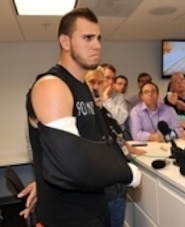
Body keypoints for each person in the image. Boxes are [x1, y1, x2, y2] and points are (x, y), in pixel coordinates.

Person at [22, 8, 141, 227]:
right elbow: (71, 164)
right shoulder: (52, 86)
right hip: (68, 218)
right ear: (65, 42)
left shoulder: (83, 87)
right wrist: (127, 172)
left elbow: (94, 141)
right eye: (87, 38)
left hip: (94, 209)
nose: (97, 45)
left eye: (98, 38)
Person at [85, 68, 145, 227]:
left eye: (100, 82)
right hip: (98, 189)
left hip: (117, 186)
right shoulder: (81, 115)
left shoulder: (105, 111)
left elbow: (118, 137)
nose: (97, 87)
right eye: (92, 82)